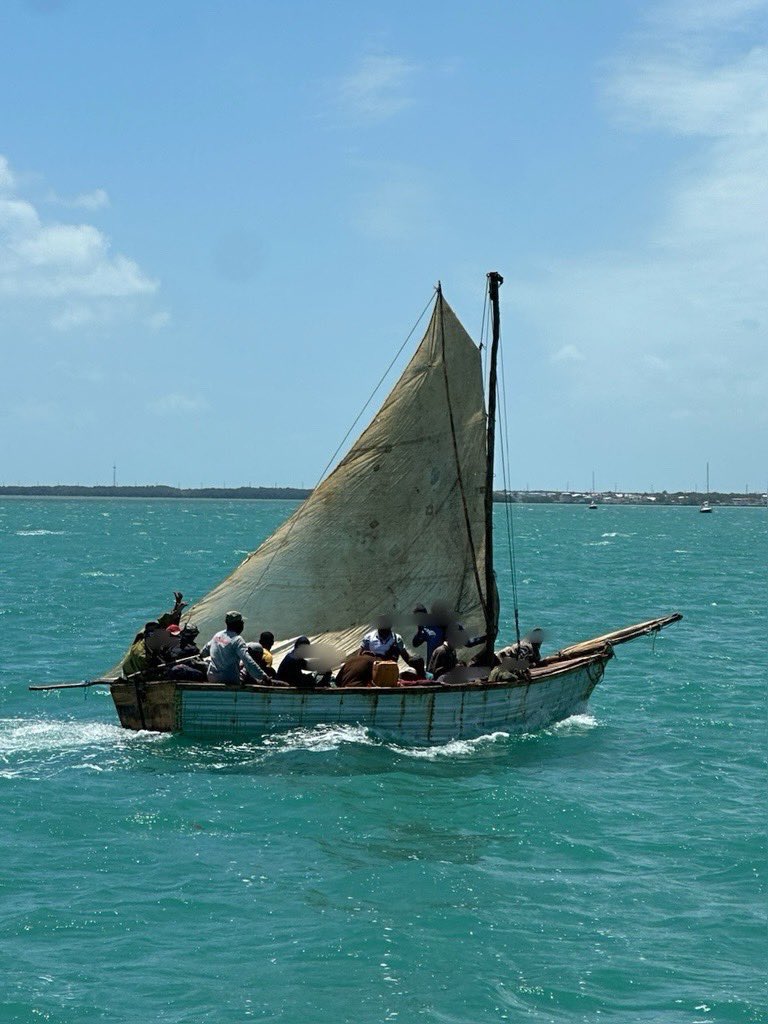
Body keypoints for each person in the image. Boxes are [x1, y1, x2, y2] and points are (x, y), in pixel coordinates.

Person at [203, 611, 270, 685]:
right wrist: (263, 676)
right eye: (242, 622)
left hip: (212, 677)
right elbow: (247, 660)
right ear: (238, 624)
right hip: (229, 679)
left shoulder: (217, 635)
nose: (243, 624)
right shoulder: (237, 639)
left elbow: (204, 651)